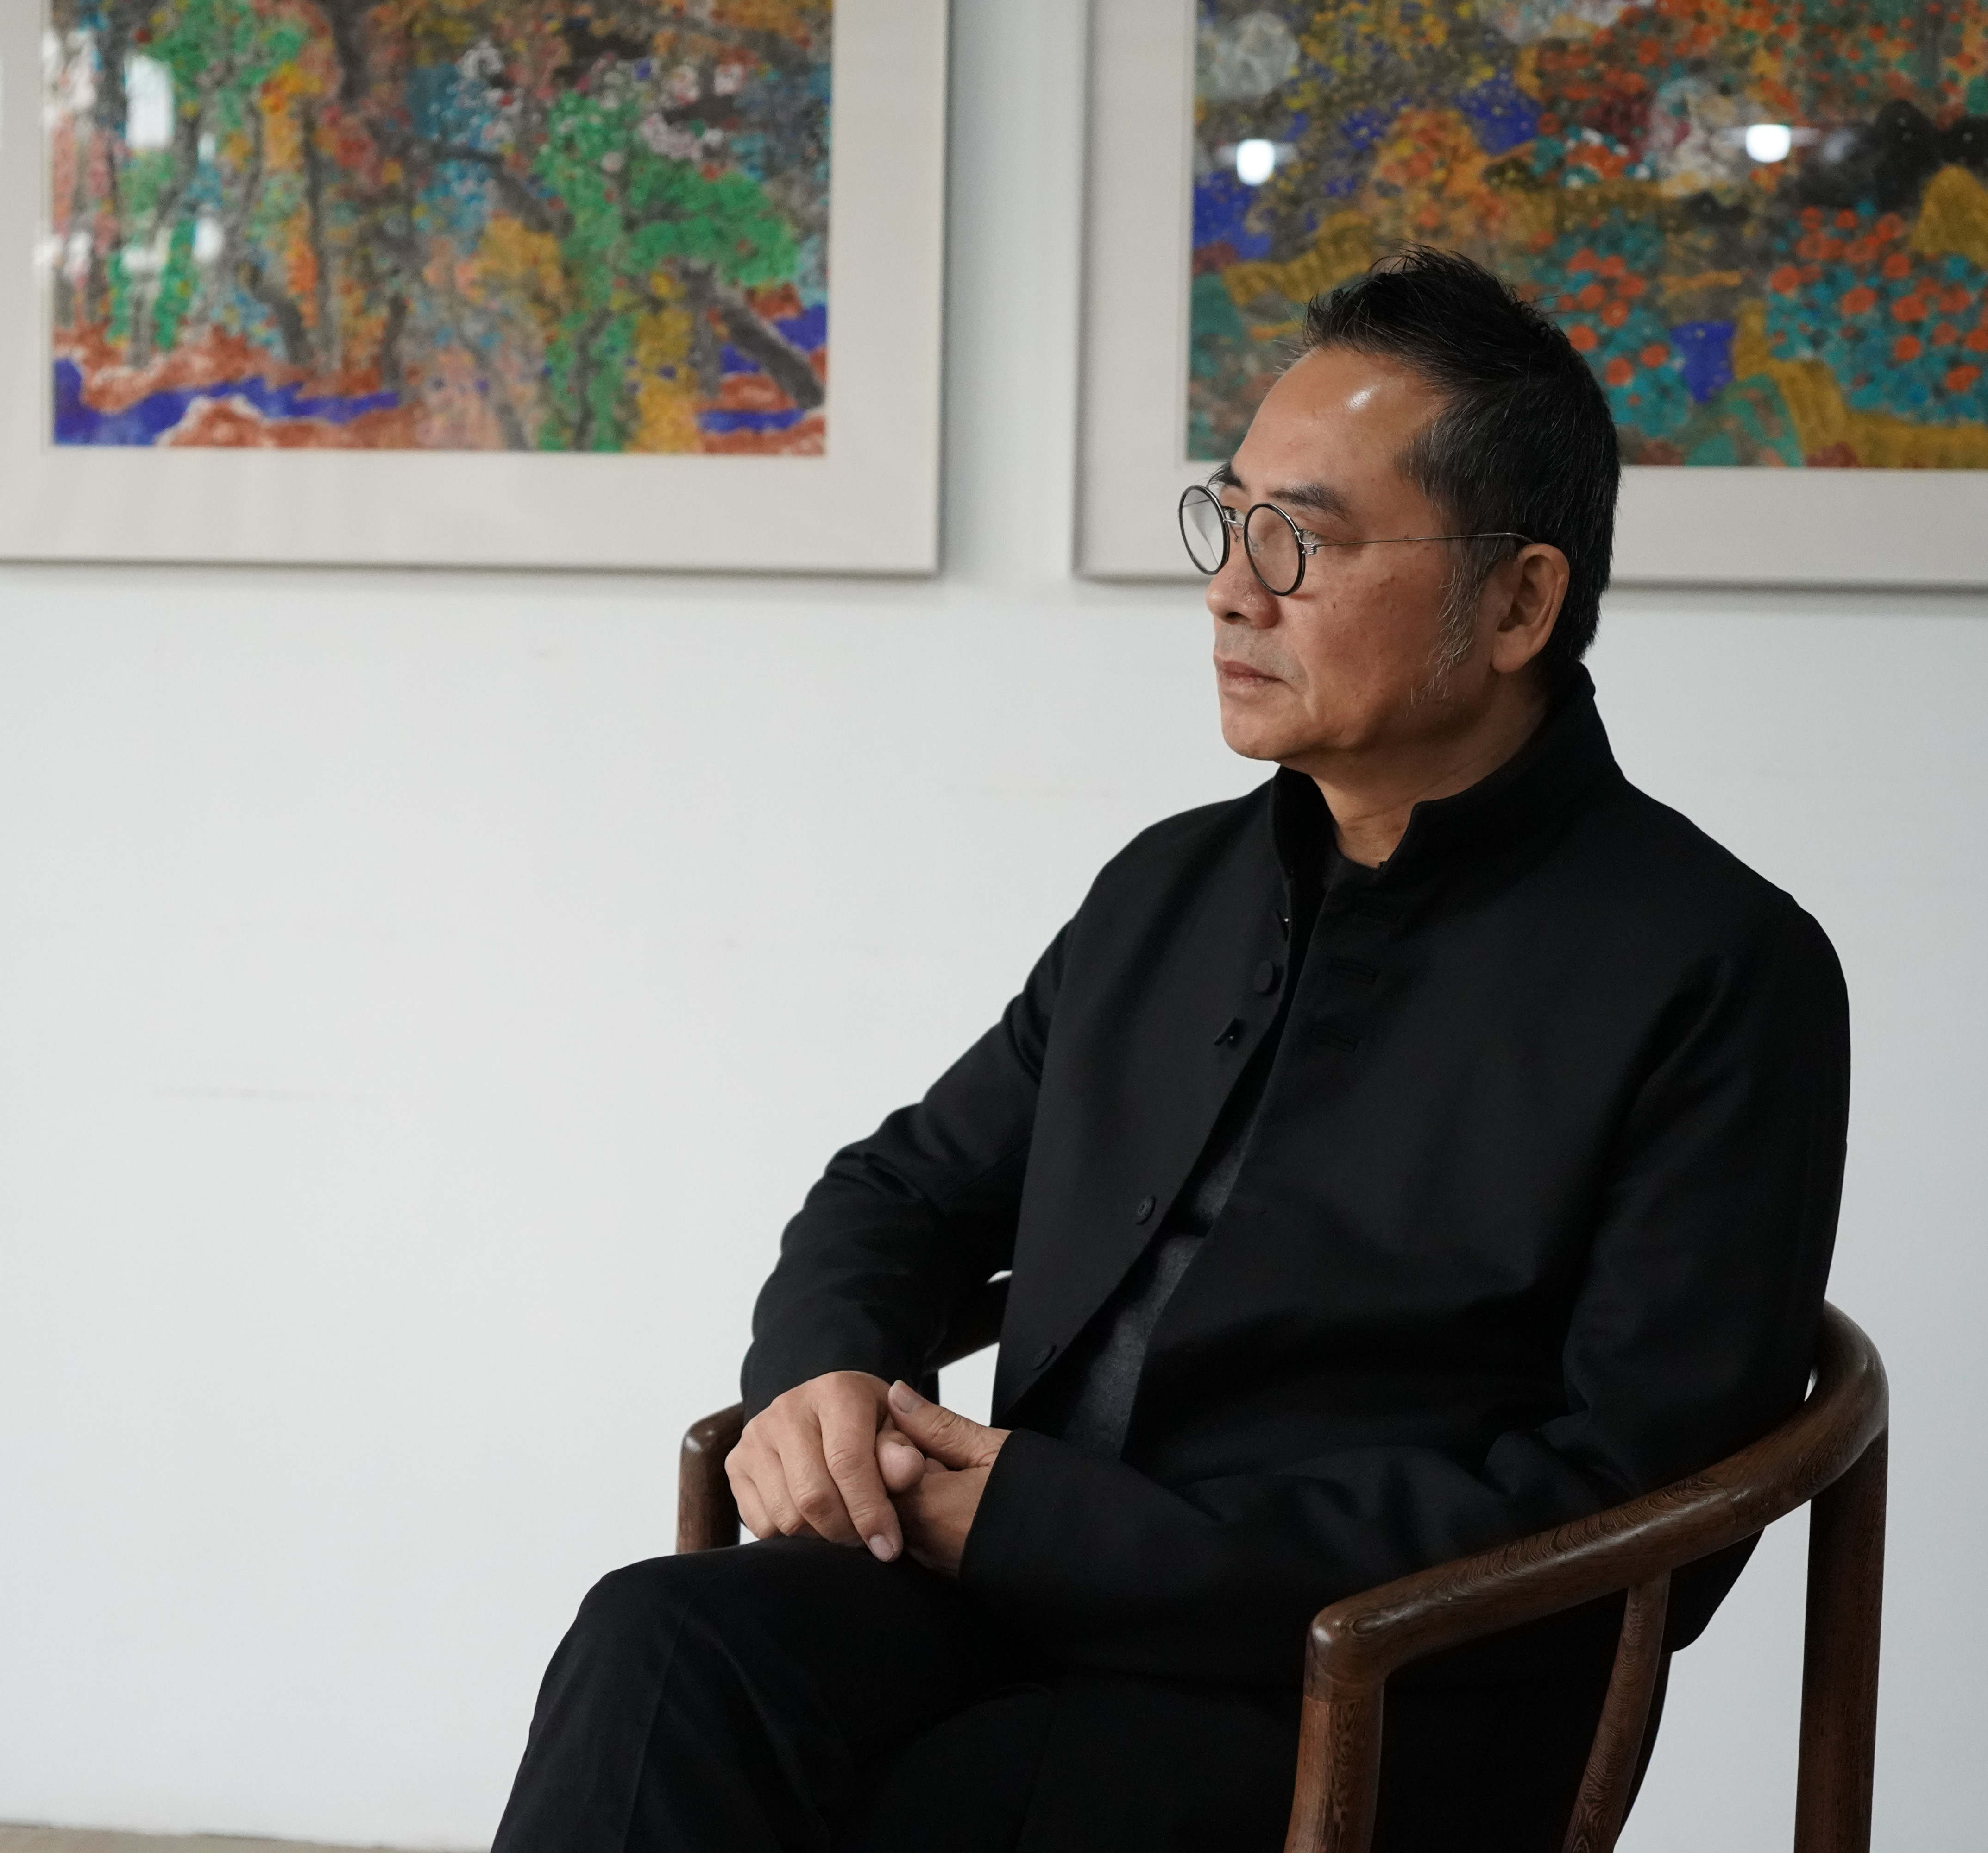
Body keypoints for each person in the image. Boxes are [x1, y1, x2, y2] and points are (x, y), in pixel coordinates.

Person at [491, 247, 1850, 1853]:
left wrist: (1064, 1534)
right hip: (1009, 1594)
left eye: (1303, 541)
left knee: (901, 1812)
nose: (1231, 589)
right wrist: (823, 1378)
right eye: (1229, 516)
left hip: (1366, 1686)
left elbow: (1629, 1494)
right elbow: (902, 1192)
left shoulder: (1720, 969)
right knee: (661, 1649)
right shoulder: (1171, 889)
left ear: (1520, 603)